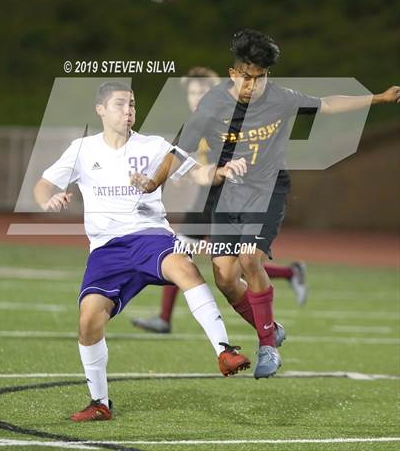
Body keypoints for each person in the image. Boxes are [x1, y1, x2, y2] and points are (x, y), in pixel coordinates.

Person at [131, 29, 400, 379]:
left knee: (248, 259)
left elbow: (328, 104)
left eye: (260, 78)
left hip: (267, 191)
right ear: (232, 73)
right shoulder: (213, 104)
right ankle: (271, 327)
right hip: (227, 196)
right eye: (246, 76)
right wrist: (152, 182)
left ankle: (267, 346)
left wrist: (378, 98)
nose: (253, 85)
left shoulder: (279, 98)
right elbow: (179, 150)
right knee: (225, 278)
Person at [33, 80, 250, 423]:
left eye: (132, 103)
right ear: (101, 110)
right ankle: (100, 403)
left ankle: (224, 350)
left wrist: (218, 171)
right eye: (120, 104)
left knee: (185, 268)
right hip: (107, 250)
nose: (129, 110)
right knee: (88, 320)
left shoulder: (154, 145)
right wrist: (48, 199)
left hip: (151, 236)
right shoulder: (82, 149)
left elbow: (196, 172)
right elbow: (43, 184)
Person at [132, 67, 306, 336]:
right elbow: (184, 159)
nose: (196, 96)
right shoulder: (200, 118)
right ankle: (288, 277)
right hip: (210, 195)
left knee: (219, 260)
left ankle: (167, 319)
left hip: (230, 196)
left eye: (202, 91)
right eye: (192, 92)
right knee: (215, 259)